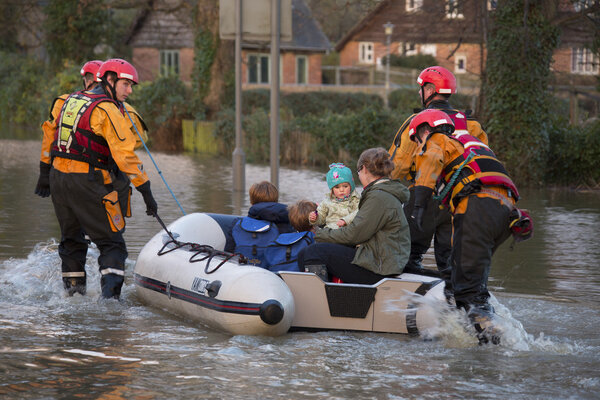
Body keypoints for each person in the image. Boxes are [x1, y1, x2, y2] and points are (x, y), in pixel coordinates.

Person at [408, 108, 527, 343]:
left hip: (478, 207)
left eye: (417, 139)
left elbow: (430, 160)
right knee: (470, 280)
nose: (418, 144)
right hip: (508, 213)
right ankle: (468, 329)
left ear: (424, 129)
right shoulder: (472, 145)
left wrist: (419, 205)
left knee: (465, 286)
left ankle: (489, 337)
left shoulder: (437, 138)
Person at [43, 58, 157, 299]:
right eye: (126, 84)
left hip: (58, 180)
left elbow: (50, 135)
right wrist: (146, 192)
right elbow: (126, 156)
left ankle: (73, 297)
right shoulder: (108, 109)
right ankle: (111, 305)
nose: (130, 91)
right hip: (88, 181)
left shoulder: (68, 100)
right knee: (112, 243)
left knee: (72, 241)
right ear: (109, 80)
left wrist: (44, 174)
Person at [387, 65, 489, 292]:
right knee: (449, 264)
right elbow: (482, 160)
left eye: (421, 88)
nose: (419, 93)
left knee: (407, 258)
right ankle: (452, 304)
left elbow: (395, 167)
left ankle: (408, 304)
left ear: (430, 89)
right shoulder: (471, 124)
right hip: (460, 203)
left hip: (424, 200)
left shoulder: (418, 121)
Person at [35, 59, 149, 199]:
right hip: (99, 177)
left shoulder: (65, 102)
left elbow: (49, 139)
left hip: (62, 176)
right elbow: (137, 142)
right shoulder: (121, 110)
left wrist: (44, 172)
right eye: (126, 85)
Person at [298, 148, 410, 284]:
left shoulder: (378, 197)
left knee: (314, 252)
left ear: (364, 169)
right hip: (377, 258)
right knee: (304, 254)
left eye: (358, 172)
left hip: (378, 266)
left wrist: (321, 234)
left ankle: (323, 300)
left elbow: (354, 234)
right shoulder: (381, 193)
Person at [309, 163, 360, 229]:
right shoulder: (327, 201)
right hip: (330, 232)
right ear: (332, 189)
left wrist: (345, 220)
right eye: (337, 187)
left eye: (345, 186)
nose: (341, 190)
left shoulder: (355, 199)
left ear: (351, 186)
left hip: (348, 232)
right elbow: (322, 219)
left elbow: (358, 213)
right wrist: (315, 218)